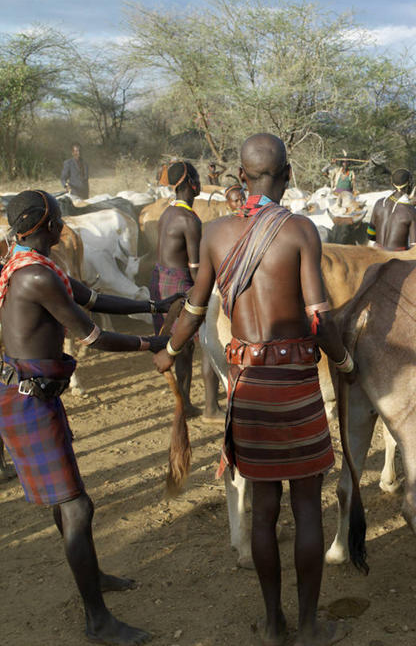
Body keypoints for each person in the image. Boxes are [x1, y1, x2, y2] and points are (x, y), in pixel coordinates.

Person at [154, 133, 353, 646]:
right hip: (297, 384)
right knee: (308, 505)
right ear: (287, 177)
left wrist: (167, 352)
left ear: (241, 179)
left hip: (249, 384)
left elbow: (195, 312)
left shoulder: (216, 234)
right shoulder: (301, 230)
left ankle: (272, 625)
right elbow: (319, 316)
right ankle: (309, 627)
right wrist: (345, 361)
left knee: (263, 511)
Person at [0, 189, 176, 645]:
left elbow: (92, 297)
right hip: (29, 399)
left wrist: (150, 307)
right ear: (40, 226)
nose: (63, 227)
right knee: (77, 507)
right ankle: (97, 619)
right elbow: (92, 336)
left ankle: (92, 577)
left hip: (37, 393)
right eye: (58, 220)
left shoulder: (34, 264)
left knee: (73, 502)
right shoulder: (35, 277)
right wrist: (150, 344)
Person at [150, 162, 221, 420]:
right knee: (185, 343)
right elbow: (194, 269)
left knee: (174, 342)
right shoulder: (189, 219)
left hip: (162, 278)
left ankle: (184, 398)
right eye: (197, 178)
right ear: (189, 182)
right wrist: (212, 289)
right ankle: (186, 402)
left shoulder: (169, 212)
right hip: (180, 283)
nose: (200, 182)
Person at [366, 169, 416, 251]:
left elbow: (370, 235)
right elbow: (414, 248)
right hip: (396, 259)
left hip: (376, 255)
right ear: (409, 185)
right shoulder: (411, 212)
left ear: (392, 184)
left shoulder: (379, 203)